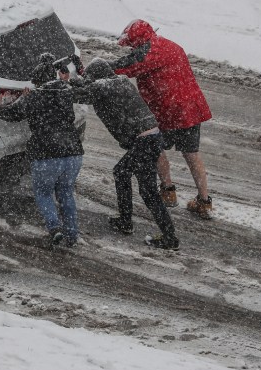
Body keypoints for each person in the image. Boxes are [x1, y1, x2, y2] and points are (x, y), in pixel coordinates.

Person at [68, 58, 179, 250]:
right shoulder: (118, 81)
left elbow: (80, 94)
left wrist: (62, 84)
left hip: (143, 141)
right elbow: (90, 84)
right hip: (151, 138)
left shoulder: (104, 86)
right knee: (127, 176)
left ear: (98, 77)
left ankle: (168, 237)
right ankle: (127, 221)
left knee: (144, 189)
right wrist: (77, 73)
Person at [111, 19, 214, 219]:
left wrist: (93, 70)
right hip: (191, 108)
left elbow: (124, 68)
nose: (131, 48)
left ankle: (167, 191)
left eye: (132, 43)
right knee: (192, 153)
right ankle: (204, 201)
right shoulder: (171, 45)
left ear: (139, 40)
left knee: (156, 148)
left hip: (168, 110)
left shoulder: (148, 53)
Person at [0, 57, 84, 248]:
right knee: (66, 193)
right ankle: (72, 234)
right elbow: (65, 89)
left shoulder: (33, 97)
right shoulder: (66, 92)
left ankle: (54, 228)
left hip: (46, 154)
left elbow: (10, 115)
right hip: (73, 152)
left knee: (43, 193)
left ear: (36, 82)